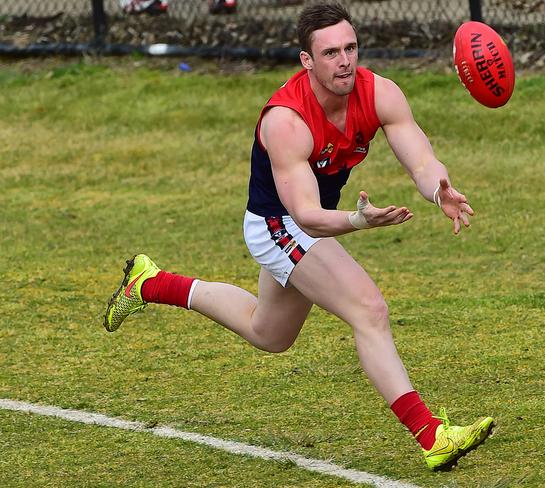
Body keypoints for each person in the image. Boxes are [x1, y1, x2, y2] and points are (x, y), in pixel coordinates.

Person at [103, 1, 493, 471]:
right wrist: (358, 221)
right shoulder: (286, 120)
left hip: (309, 221)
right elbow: (306, 216)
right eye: (330, 53)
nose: (345, 61)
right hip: (277, 225)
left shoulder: (380, 92)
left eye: (350, 48)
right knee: (369, 310)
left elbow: (422, 160)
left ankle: (149, 282)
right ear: (307, 61)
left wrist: (439, 191)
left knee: (269, 333)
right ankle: (432, 436)